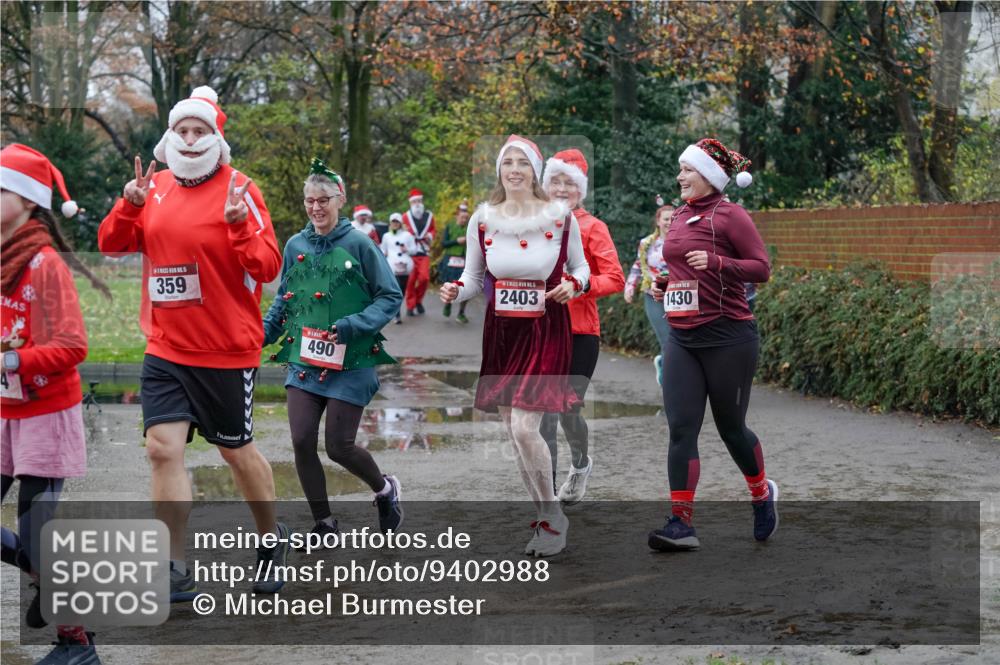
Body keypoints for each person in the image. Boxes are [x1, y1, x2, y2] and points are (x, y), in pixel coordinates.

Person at [97, 86, 289, 599]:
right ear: (169, 136)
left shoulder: (241, 189)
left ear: (215, 138)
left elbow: (268, 266)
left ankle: (271, 541)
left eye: (199, 130)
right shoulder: (153, 187)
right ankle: (174, 565)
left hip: (225, 348)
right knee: (162, 450)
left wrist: (238, 226)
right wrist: (127, 205)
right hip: (165, 346)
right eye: (182, 130)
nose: (189, 137)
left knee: (235, 452)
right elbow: (111, 243)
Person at [439, 135, 590, 557]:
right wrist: (455, 290)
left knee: (526, 427)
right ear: (499, 171)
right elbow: (473, 278)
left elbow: (583, 270)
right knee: (512, 431)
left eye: (523, 163)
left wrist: (571, 285)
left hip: (546, 328)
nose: (515, 170)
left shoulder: (559, 217)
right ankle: (545, 516)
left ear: (535, 172)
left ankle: (553, 516)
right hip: (503, 331)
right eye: (508, 163)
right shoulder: (483, 220)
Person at [1, 143, 109, 664]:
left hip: (46, 414)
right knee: (37, 545)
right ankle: (48, 579)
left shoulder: (45, 264)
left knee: (37, 532)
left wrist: (14, 362)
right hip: (4, 415)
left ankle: (77, 639)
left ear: (27, 202)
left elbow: (73, 346)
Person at [263, 158, 403, 543]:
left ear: (339, 199)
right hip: (305, 359)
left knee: (338, 447)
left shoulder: (359, 243)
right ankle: (324, 524)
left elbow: (390, 296)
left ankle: (385, 490)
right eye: (310, 200)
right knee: (302, 440)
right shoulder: (295, 245)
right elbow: (285, 301)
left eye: (323, 199)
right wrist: (257, 335)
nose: (316, 208)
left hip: (351, 360)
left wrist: (353, 325)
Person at [647, 138, 776, 552]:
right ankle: (680, 523)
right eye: (681, 169)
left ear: (709, 175)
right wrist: (665, 283)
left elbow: (761, 269)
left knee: (731, 429)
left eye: (687, 170)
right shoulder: (682, 213)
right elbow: (684, 267)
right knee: (681, 428)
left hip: (728, 337)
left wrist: (719, 262)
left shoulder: (731, 215)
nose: (680, 176)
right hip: (683, 336)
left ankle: (761, 495)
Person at [539, 149, 625, 502]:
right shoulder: (534, 225)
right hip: (540, 332)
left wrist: (580, 285)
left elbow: (615, 278)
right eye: (555, 182)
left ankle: (580, 465)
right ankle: (546, 499)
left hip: (579, 334)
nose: (562, 189)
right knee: (543, 415)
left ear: (581, 190)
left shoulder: (593, 227)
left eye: (569, 184)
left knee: (566, 410)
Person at [624, 203, 675, 385]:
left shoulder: (684, 241)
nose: (670, 222)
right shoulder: (647, 244)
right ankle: (670, 380)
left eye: (673, 219)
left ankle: (664, 362)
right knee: (667, 338)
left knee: (680, 339)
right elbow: (637, 267)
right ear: (658, 221)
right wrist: (629, 287)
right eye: (666, 219)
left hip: (679, 297)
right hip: (653, 295)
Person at [401, 188, 434, 316]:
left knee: (424, 278)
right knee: (410, 280)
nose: (418, 203)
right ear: (411, 203)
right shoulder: (405, 217)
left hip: (423, 251)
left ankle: (419, 301)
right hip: (409, 253)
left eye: (420, 201)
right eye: (415, 201)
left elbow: (433, 230)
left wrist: (429, 236)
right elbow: (399, 232)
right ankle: (410, 305)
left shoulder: (429, 216)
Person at [438, 200, 471, 323]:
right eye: (462, 217)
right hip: (450, 261)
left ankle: (461, 313)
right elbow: (443, 244)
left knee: (466, 288)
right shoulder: (450, 226)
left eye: (466, 218)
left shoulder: (470, 228)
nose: (464, 220)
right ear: (457, 216)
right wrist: (457, 241)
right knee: (450, 286)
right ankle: (448, 304)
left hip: (465, 261)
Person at [380, 212, 416, 324]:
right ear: (390, 223)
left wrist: (407, 250)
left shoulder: (408, 235)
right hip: (392, 268)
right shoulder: (386, 236)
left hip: (405, 267)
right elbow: (383, 250)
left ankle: (397, 311)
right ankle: (397, 314)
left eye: (397, 222)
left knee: (402, 291)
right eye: (393, 222)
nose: (395, 224)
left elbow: (414, 250)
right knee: (396, 290)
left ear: (401, 223)